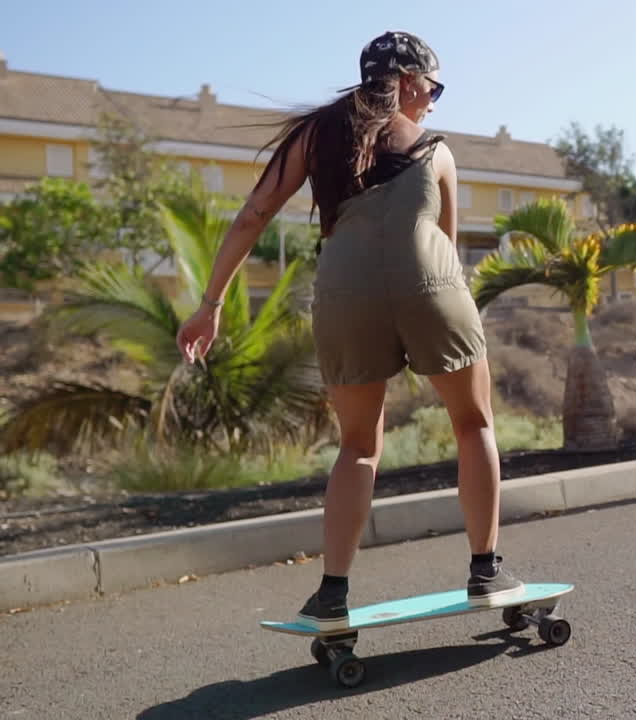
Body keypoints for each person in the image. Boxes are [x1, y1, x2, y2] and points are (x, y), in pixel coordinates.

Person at [175, 31, 523, 632]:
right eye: (433, 88)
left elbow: (254, 214)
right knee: (474, 424)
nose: (433, 101)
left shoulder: (315, 135)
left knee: (358, 446)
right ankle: (485, 569)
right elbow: (445, 246)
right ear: (410, 81)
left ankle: (332, 592)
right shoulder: (438, 153)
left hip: (343, 295)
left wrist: (211, 304)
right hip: (432, 286)